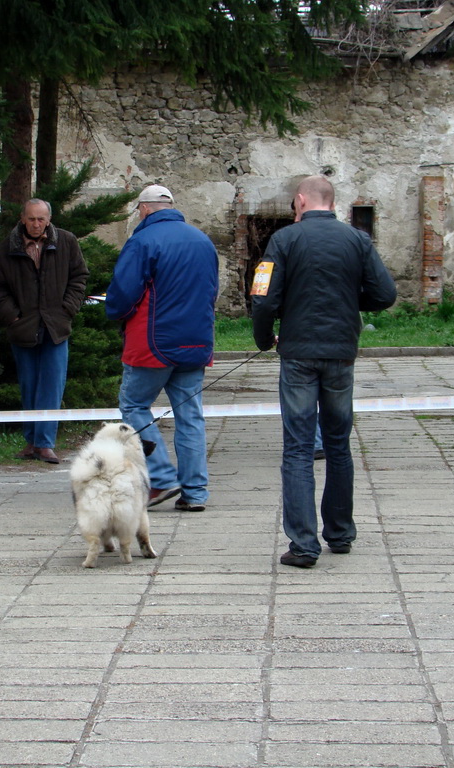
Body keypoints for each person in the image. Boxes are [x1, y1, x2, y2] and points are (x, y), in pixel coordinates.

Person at [252, 175, 397, 567]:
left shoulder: (283, 241)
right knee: (338, 444)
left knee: (298, 448)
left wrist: (265, 339)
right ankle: (340, 532)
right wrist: (348, 300)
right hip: (340, 354)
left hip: (298, 353)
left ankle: (303, 545)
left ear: (300, 200)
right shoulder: (358, 240)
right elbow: (385, 294)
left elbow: (263, 298)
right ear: (332, 202)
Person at [105, 185, 219, 512]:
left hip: (153, 342)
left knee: (134, 404)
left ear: (144, 209)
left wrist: (115, 314)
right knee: (190, 416)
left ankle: (161, 475)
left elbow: (124, 295)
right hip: (196, 341)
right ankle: (195, 492)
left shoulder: (142, 241)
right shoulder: (203, 240)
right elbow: (212, 290)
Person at [0, 199, 89, 464]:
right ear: (22, 218)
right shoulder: (5, 250)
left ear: (49, 219)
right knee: (29, 386)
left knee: (52, 385)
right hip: (23, 328)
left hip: (56, 326)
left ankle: (45, 443)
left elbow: (79, 277)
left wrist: (67, 309)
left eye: (41, 219)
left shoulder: (66, 242)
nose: (36, 224)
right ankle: (31, 441)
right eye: (31, 219)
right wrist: (13, 316)